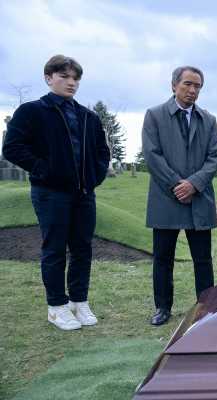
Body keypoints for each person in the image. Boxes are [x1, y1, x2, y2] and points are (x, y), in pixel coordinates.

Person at [2, 55, 110, 330]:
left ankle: (78, 301)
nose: (71, 82)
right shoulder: (32, 111)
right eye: (64, 76)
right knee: (54, 249)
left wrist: (95, 177)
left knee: (83, 249)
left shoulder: (88, 117)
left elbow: (102, 151)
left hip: (84, 193)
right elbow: (12, 147)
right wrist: (44, 170)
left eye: (75, 78)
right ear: (48, 78)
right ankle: (57, 307)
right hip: (50, 193)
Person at [141, 65, 217, 326]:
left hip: (198, 199)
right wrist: (177, 185)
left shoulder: (208, 119)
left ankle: (206, 307)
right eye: (187, 84)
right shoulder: (154, 115)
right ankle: (162, 307)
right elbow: (152, 155)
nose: (192, 90)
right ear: (174, 85)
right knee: (163, 258)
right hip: (166, 198)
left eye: (197, 86)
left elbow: (216, 155)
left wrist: (194, 184)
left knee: (203, 259)